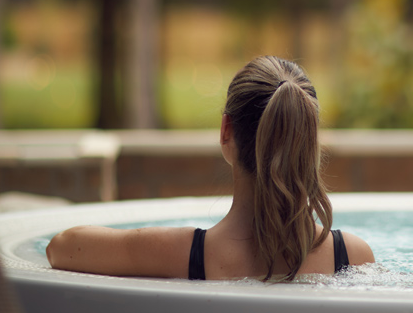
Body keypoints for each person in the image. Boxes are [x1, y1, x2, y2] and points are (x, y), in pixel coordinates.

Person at [46, 56, 374, 281]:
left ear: (226, 131)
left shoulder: (180, 254)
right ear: (311, 144)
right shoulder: (352, 257)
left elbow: (61, 247)